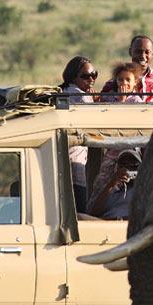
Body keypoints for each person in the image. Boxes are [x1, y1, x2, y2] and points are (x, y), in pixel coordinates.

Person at [59, 56, 97, 211]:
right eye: (85, 76)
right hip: (75, 162)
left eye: (94, 75)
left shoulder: (61, 92)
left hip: (59, 161)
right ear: (73, 77)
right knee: (79, 212)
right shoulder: (82, 96)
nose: (91, 80)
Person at [99, 35, 153, 103]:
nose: (143, 56)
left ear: (152, 54)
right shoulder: (114, 82)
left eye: (147, 52)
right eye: (138, 52)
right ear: (131, 52)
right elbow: (102, 107)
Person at [88, 149, 141, 219]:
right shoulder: (110, 188)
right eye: (123, 165)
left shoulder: (142, 191)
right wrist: (112, 184)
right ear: (117, 167)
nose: (127, 169)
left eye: (133, 165)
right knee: (78, 218)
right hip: (106, 223)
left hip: (128, 223)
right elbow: (93, 213)